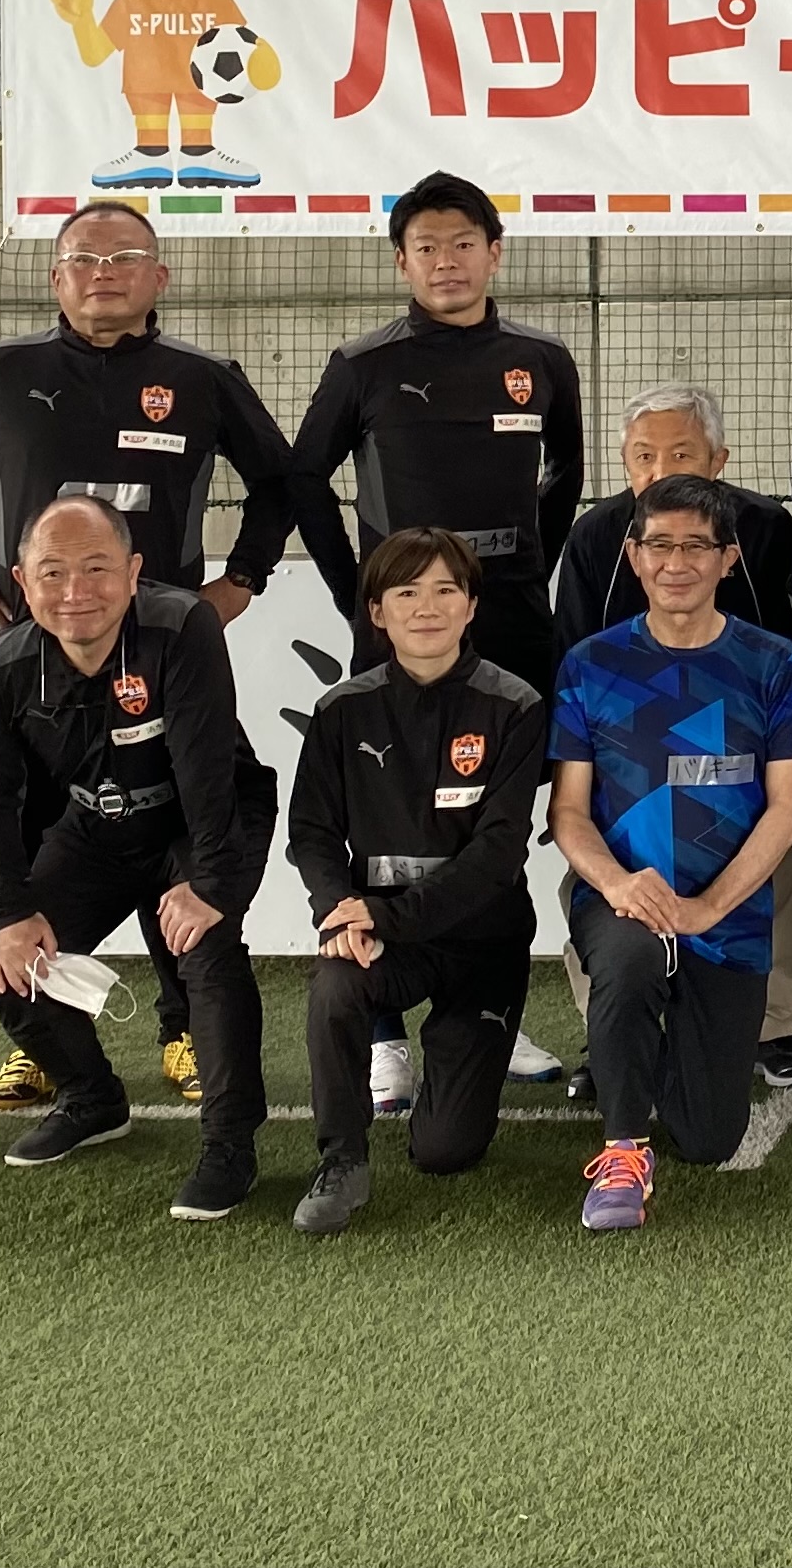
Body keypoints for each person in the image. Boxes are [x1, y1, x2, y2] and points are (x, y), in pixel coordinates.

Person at [0, 199, 296, 1112]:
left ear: (160, 277)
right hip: (45, 659)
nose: (103, 273)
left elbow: (281, 483)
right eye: (84, 258)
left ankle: (182, 1030)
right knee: (47, 837)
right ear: (56, 278)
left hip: (167, 660)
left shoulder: (201, 378)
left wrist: (242, 580)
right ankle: (46, 1043)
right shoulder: (2, 372)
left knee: (172, 827)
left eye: (124, 258)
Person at [290, 168, 581, 1113]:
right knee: (390, 818)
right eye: (426, 247)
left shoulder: (541, 359)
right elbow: (303, 481)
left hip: (513, 622)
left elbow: (565, 476)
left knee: (494, 817)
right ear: (401, 262)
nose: (445, 261)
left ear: (494, 253)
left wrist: (521, 576)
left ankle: (484, 994)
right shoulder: (363, 364)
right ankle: (382, 1031)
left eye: (462, 244)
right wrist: (360, 595)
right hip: (400, 630)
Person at [0, 494, 277, 1220]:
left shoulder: (183, 627)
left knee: (207, 954)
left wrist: (209, 883)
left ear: (134, 572)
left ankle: (230, 1145)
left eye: (97, 568)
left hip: (205, 820)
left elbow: (207, 773)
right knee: (15, 973)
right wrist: (9, 914)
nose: (76, 591)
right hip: (97, 827)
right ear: (22, 582)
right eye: (52, 573)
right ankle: (93, 1099)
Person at [552, 476, 792, 1229]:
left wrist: (707, 907)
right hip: (621, 902)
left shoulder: (773, 663)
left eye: (696, 546)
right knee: (631, 960)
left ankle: (648, 1053)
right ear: (634, 555)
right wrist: (616, 884)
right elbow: (567, 812)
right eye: (660, 545)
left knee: (708, 1140)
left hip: (727, 918)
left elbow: (789, 808)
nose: (677, 563)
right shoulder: (589, 664)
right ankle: (621, 1151)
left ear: (728, 559)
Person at [285, 529, 551, 1234]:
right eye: (406, 592)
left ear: (471, 606)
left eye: (444, 590)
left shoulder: (516, 706)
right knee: (336, 984)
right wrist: (338, 910)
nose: (426, 608)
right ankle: (341, 1160)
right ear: (377, 612)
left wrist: (383, 917)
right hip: (385, 939)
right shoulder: (342, 710)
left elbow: (498, 854)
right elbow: (311, 832)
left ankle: (458, 1062)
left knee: (444, 1152)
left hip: (482, 942)